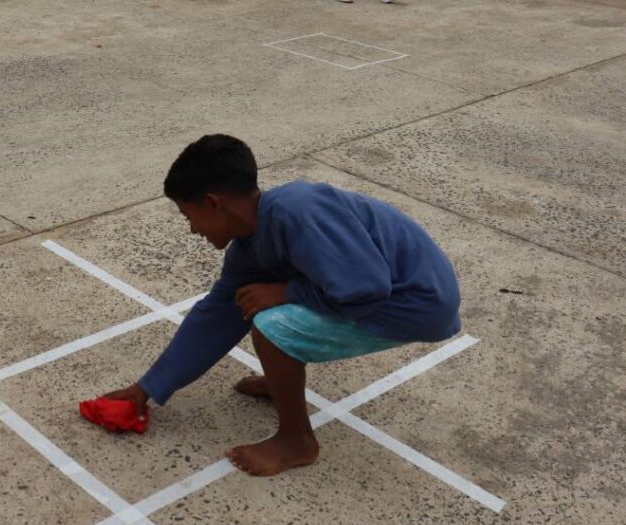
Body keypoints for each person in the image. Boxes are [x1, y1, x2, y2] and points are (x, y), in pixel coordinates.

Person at [101, 134, 461, 477]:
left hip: (416, 302)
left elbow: (366, 287)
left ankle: (296, 441)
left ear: (214, 203)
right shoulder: (249, 245)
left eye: (187, 215)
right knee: (256, 306)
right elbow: (214, 318)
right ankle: (281, 383)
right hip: (389, 292)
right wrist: (145, 389)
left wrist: (289, 292)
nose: (192, 229)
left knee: (273, 327)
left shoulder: (296, 209)